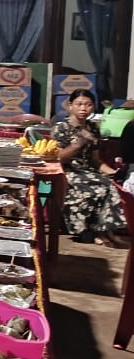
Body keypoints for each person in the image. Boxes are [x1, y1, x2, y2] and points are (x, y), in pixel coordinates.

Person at [54, 89, 127, 246]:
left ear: (93, 107)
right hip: (68, 170)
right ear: (70, 105)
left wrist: (114, 173)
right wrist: (77, 145)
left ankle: (106, 231)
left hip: (88, 171)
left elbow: (95, 160)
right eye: (79, 104)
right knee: (99, 187)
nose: (83, 108)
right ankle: (90, 231)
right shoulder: (61, 127)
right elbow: (58, 158)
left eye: (88, 105)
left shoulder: (93, 128)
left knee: (112, 185)